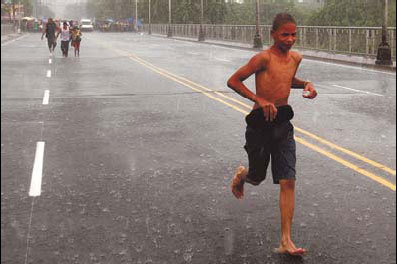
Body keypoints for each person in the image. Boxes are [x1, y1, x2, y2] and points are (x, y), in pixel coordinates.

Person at [227, 13, 317, 257]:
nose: (290, 40)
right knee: (257, 177)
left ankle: (286, 240)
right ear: (273, 34)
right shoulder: (262, 58)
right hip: (259, 127)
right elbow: (233, 81)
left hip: (283, 125)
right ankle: (242, 175)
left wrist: (306, 84)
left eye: (293, 34)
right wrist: (260, 99)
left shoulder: (296, 58)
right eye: (284, 34)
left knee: (288, 180)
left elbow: (287, 79)